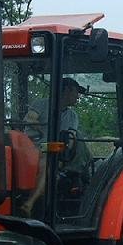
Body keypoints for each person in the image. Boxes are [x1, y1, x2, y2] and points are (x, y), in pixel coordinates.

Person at [21, 76, 89, 215]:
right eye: (76, 92)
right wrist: (44, 129)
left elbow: (70, 138)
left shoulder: (72, 115)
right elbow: (30, 118)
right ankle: (30, 204)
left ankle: (30, 204)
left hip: (53, 149)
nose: (78, 97)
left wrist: (65, 151)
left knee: (49, 161)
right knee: (47, 161)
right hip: (32, 146)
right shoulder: (42, 103)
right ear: (66, 90)